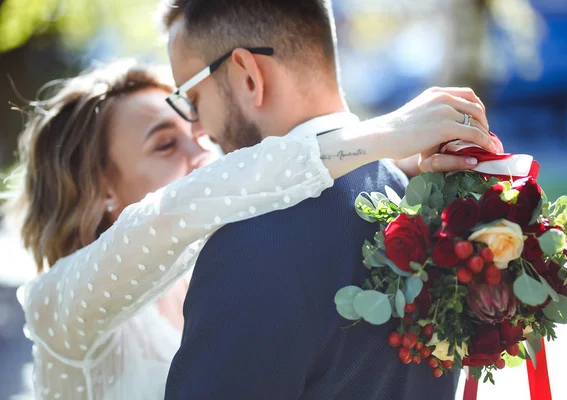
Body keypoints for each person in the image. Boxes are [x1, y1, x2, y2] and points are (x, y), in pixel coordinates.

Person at [10, 58, 492, 399]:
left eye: (197, 135)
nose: (202, 154)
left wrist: (403, 172)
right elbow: (172, 213)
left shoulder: (234, 266)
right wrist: (381, 136)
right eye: (164, 146)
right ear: (101, 191)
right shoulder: (58, 307)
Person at [161, 1, 495, 399]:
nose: (197, 130)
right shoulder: (424, 211)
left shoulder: (250, 244)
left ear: (249, 77)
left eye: (194, 100)